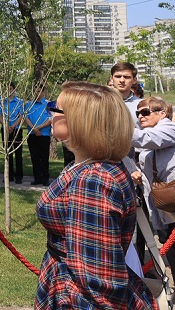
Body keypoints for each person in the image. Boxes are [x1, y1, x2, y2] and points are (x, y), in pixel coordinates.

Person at [36, 81, 155, 309]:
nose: (49, 112)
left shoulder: (94, 179)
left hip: (76, 296)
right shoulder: (91, 164)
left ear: (80, 120)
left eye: (55, 107)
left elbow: (98, 281)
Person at [129, 97, 175, 268]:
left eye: (145, 112)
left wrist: (113, 125)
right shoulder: (153, 134)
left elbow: (144, 139)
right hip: (166, 205)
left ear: (162, 113)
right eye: (138, 113)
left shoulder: (168, 129)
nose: (141, 116)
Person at [24, 84, 52, 186]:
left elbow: (50, 120)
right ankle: (36, 178)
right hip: (32, 134)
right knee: (34, 157)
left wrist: (39, 128)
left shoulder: (50, 104)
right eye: (35, 91)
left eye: (39, 91)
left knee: (44, 158)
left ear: (43, 92)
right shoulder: (28, 104)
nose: (37, 93)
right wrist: (34, 129)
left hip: (44, 135)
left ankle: (45, 178)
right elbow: (25, 118)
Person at [1, 82, 24, 184]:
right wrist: (6, 126)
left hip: (16, 129)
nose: (9, 91)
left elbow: (21, 116)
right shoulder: (2, 102)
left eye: (10, 89)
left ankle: (19, 176)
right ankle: (8, 176)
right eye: (7, 89)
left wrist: (13, 126)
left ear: (14, 89)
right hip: (5, 129)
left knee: (18, 154)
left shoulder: (20, 102)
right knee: (7, 154)